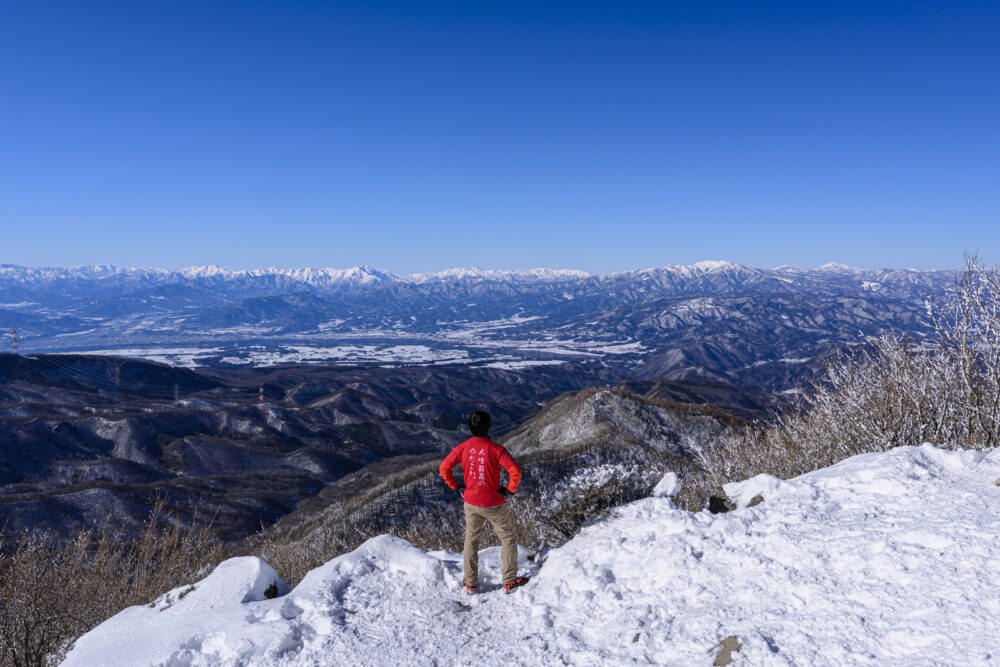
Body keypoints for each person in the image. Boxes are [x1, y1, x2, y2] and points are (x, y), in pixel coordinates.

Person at [439, 410, 528, 594]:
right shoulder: (496, 449)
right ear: (489, 426)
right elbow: (515, 471)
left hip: (471, 502)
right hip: (494, 503)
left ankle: (470, 584)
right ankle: (509, 581)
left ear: (470, 427)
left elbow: (444, 468)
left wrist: (456, 487)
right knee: (507, 538)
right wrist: (509, 489)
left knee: (471, 540)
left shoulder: (463, 447)